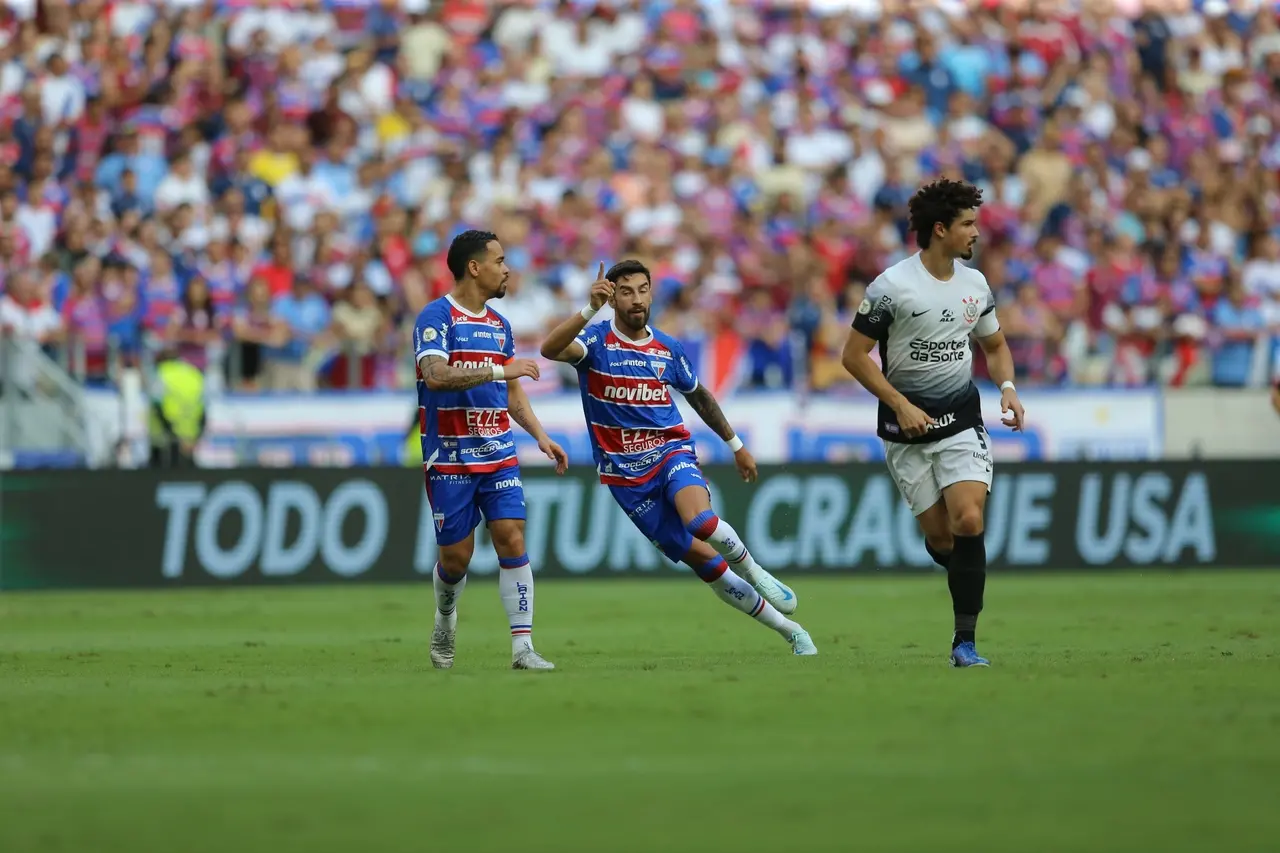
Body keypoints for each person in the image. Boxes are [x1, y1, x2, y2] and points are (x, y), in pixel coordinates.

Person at [540, 260, 816, 657]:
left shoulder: (668, 348)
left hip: (670, 452)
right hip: (626, 479)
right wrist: (588, 310)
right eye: (626, 292)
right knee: (705, 563)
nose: (637, 299)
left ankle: (755, 571)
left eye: (643, 290)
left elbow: (699, 395)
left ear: (652, 293)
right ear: (612, 298)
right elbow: (550, 349)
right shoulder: (595, 342)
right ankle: (792, 631)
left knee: (700, 521)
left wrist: (736, 445)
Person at [840, 179, 1026, 668]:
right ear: (940, 229)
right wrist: (900, 404)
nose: (976, 233)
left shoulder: (975, 285)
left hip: (961, 419)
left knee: (969, 519)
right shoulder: (891, 287)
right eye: (968, 224)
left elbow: (995, 346)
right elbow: (853, 357)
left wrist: (1008, 388)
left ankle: (965, 642)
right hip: (907, 430)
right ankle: (966, 572)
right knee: (945, 540)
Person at [413, 229, 569, 672]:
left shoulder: (500, 326)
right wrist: (498, 370)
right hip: (450, 457)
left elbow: (512, 393)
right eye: (499, 261)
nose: (507, 269)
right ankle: (445, 617)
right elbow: (436, 375)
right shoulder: (436, 317)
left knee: (511, 535)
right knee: (456, 559)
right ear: (474, 267)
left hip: (498, 451)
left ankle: (523, 648)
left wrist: (540, 435)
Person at [148, 345, 206, 469]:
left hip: (164, 438)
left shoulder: (160, 373)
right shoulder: (194, 374)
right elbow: (203, 410)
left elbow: (157, 406)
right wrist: (197, 436)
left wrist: (172, 433)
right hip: (190, 438)